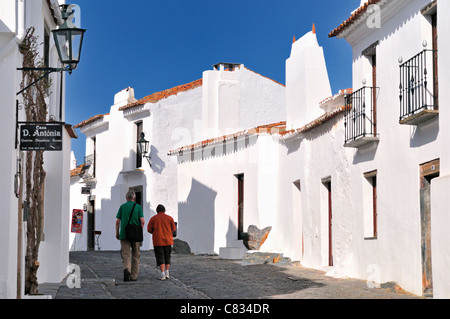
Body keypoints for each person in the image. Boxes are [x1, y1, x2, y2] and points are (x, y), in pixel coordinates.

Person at [116, 190, 144, 282]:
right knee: (136, 255)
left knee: (126, 254)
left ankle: (127, 269)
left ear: (126, 197)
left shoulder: (122, 207)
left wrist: (117, 233)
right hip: (135, 235)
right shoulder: (138, 207)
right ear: (134, 198)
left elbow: (117, 222)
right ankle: (134, 276)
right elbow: (142, 221)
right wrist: (140, 230)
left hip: (124, 234)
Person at [147, 204, 176, 280]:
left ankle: (162, 273)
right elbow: (173, 229)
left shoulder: (153, 219)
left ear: (157, 211)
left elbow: (149, 229)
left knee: (160, 257)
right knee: (167, 256)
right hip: (168, 240)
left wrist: (155, 231)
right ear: (164, 210)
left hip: (158, 241)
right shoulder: (170, 218)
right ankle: (167, 272)